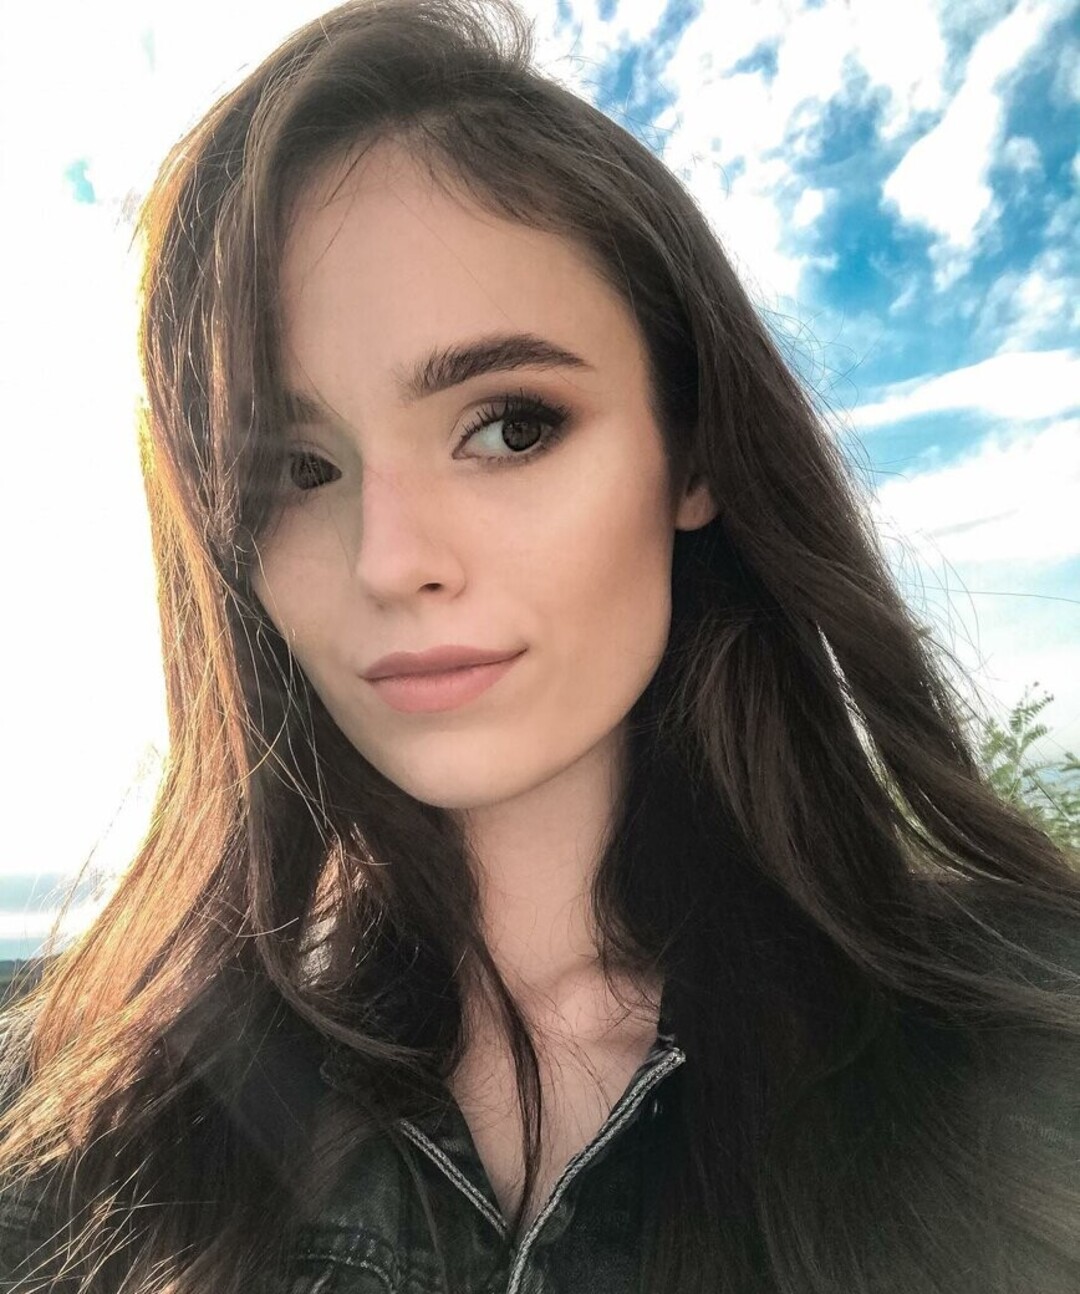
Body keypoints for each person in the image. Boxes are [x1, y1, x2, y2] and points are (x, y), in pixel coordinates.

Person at [2, 1, 1078, 1290]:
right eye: (297, 468)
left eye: (510, 426)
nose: (388, 559)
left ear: (692, 451)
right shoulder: (105, 1122)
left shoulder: (1034, 1039)